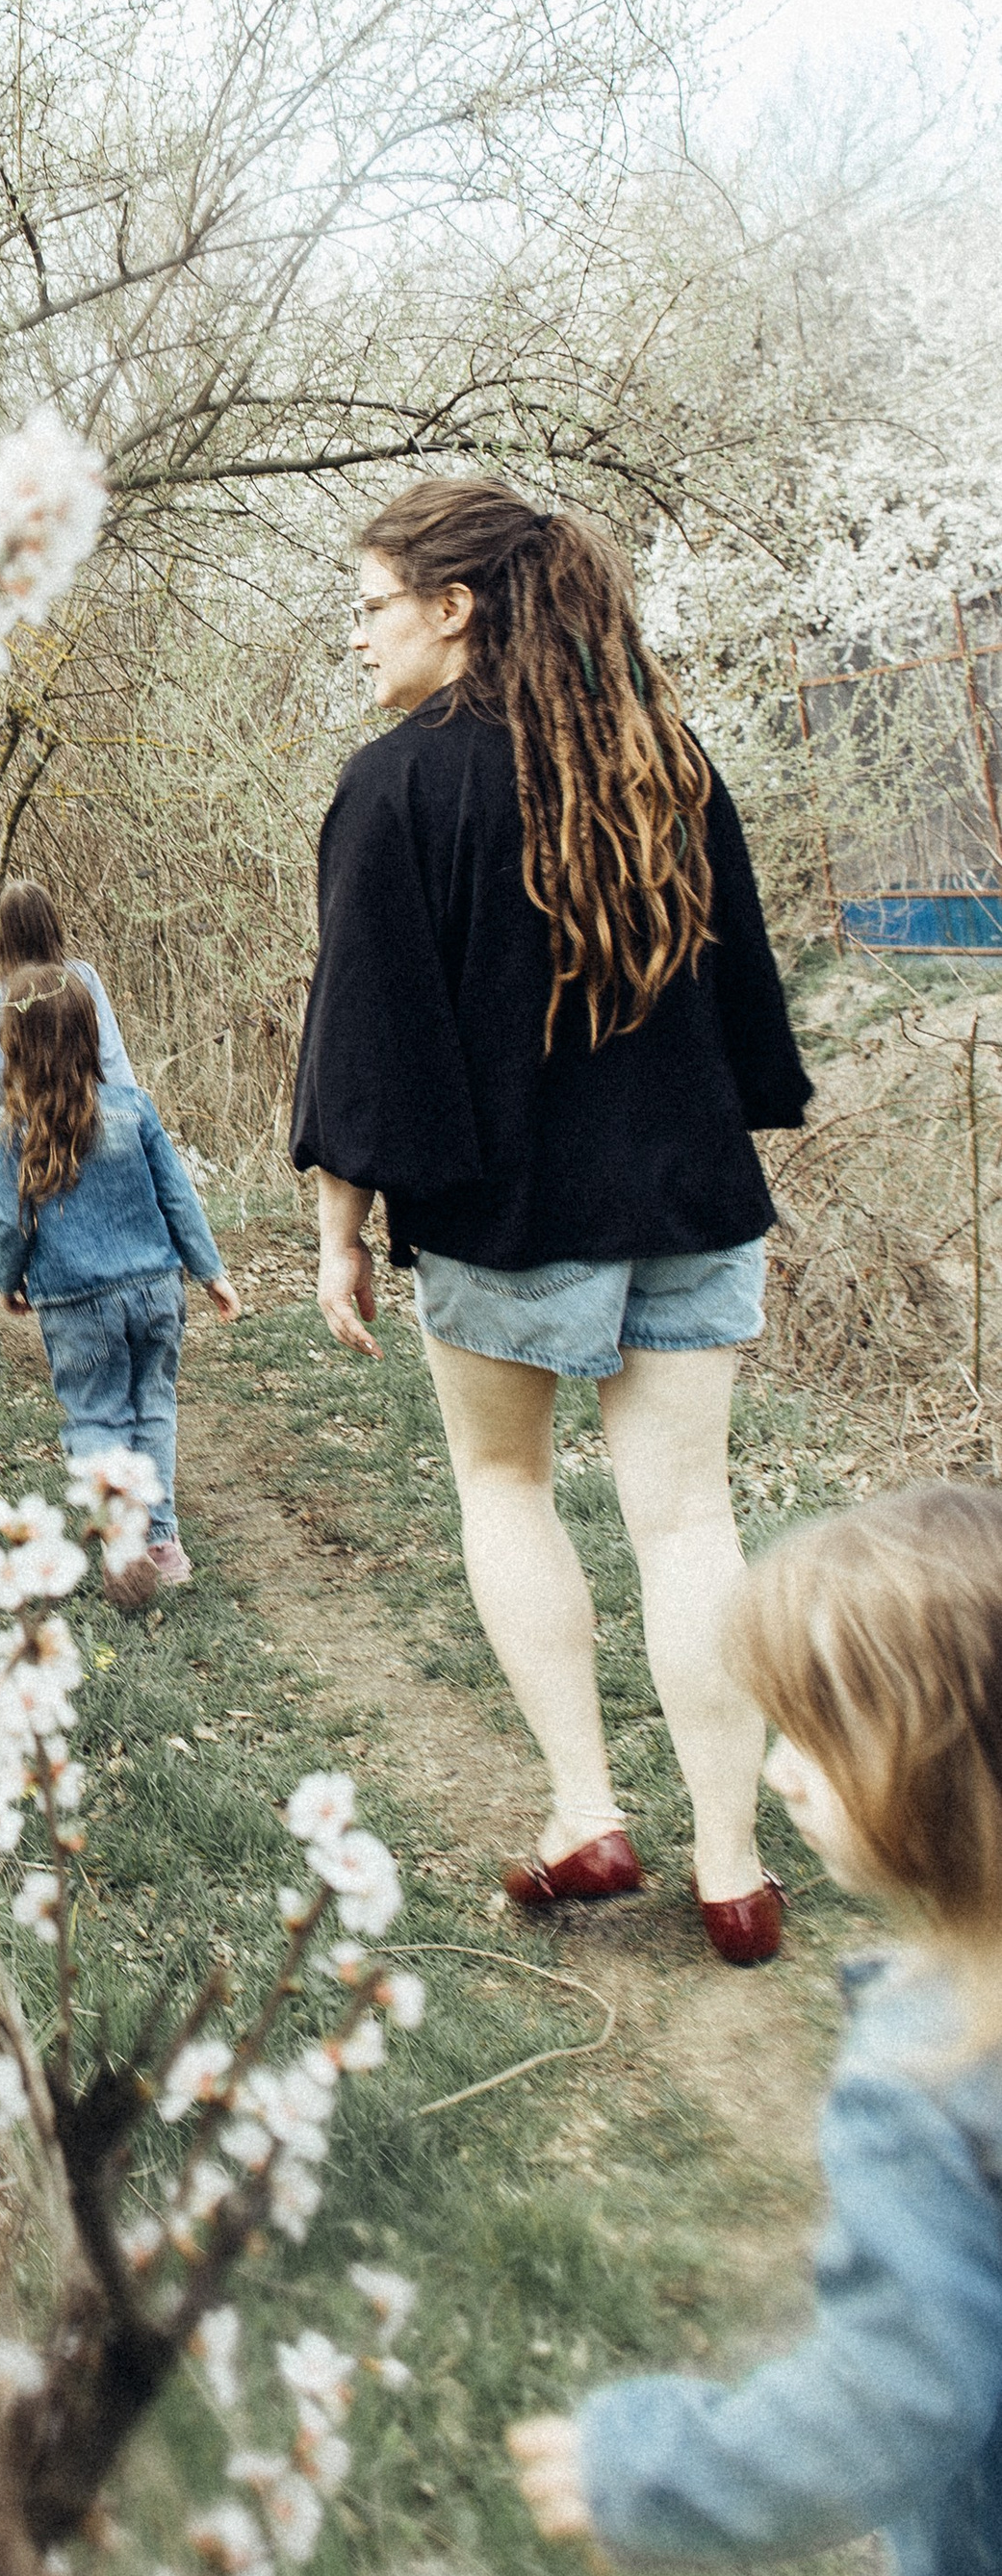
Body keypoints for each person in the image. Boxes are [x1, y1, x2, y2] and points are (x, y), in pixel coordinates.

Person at [289, 475, 812, 1964]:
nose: (354, 637)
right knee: (689, 1518)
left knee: (506, 1485)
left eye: (369, 605)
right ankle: (734, 1868)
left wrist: (339, 1227)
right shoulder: (669, 760)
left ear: (454, 610)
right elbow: (743, 1004)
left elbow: (366, 1034)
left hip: (508, 1215)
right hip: (691, 1202)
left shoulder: (397, 782)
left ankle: (585, 1812)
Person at [508, 1484, 1002, 2576]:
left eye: (819, 1737)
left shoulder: (930, 2078)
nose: (779, 1774)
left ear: (945, 1767)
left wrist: (657, 2472)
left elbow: (895, 2395)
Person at [0, 965, 241, 1607]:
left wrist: (9, 1281)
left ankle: (123, 1539)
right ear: (90, 1036)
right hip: (157, 1287)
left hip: (76, 1301)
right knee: (152, 1406)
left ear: (15, 1046)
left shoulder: (13, 1131)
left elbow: (10, 1221)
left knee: (97, 1415)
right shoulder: (134, 1110)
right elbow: (178, 1197)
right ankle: (162, 1543)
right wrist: (210, 1271)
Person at [0, 879, 140, 1105]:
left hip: (31, 1113)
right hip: (86, 1107)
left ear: (5, 932)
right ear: (51, 923)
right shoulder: (82, 976)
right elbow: (109, 1053)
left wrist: (5, 1113)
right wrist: (128, 1107)